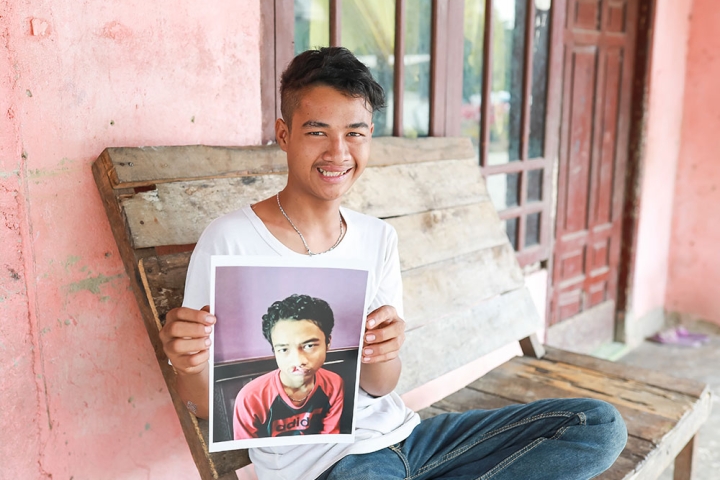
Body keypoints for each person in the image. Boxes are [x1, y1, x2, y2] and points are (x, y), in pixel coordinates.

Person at [160, 46, 627, 480]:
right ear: (284, 135)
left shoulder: (377, 237)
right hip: (330, 464)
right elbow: (204, 404)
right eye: (317, 131)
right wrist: (190, 363)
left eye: (354, 133)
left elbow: (382, 387)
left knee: (598, 425)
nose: (337, 153)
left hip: (411, 441)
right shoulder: (231, 240)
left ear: (369, 138)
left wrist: (384, 351)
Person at [233, 294, 344, 439]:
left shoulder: (334, 384)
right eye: (284, 349)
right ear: (274, 351)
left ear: (327, 343)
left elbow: (329, 439)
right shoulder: (250, 398)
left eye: (309, 346)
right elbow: (245, 451)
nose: (298, 361)